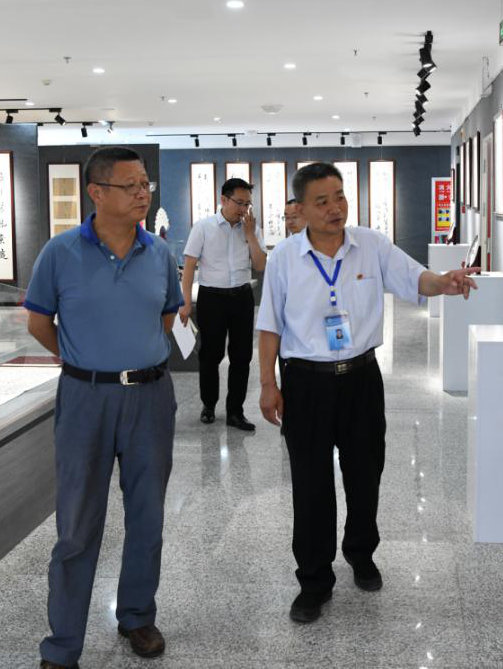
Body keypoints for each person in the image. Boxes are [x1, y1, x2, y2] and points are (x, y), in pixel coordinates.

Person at [256, 162, 478, 623]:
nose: (335, 207)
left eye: (340, 196)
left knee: (365, 473)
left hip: (361, 378)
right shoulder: (284, 259)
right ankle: (314, 579)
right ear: (300, 208)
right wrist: (268, 385)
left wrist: (445, 283)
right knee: (311, 484)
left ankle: (360, 552)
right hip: (306, 382)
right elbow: (270, 326)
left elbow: (415, 277)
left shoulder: (371, 245)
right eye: (322, 201)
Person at [24, 147, 182, 668]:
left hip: (149, 397)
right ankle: (63, 643)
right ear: (96, 192)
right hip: (85, 398)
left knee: (148, 516)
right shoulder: (60, 252)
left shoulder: (159, 253)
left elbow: (166, 317)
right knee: (76, 525)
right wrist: (86, 359)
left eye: (145, 185)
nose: (142, 194)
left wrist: (131, 358)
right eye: (130, 185)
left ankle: (137, 616)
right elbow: (39, 322)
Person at [180, 177, 267, 431]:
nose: (244, 209)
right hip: (211, 298)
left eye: (247, 204)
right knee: (210, 355)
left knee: (242, 356)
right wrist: (185, 302)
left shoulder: (252, 228)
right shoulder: (203, 227)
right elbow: (189, 266)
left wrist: (250, 235)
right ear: (223, 200)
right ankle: (208, 405)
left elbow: (260, 265)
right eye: (239, 203)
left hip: (242, 296)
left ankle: (235, 412)